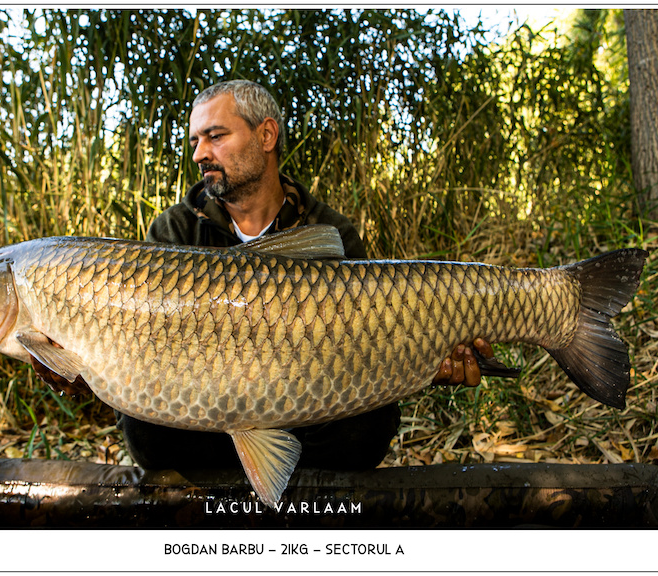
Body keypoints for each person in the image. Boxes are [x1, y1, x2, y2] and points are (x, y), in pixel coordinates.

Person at [116, 80, 497, 472]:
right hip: (206, 417)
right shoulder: (175, 233)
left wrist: (429, 357)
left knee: (369, 424)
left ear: (266, 135)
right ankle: (231, 503)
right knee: (143, 427)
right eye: (195, 141)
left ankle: (301, 508)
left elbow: (373, 343)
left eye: (215, 136)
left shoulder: (328, 230)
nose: (199, 153)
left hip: (310, 409)